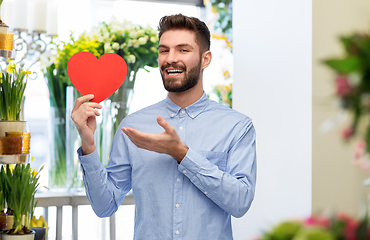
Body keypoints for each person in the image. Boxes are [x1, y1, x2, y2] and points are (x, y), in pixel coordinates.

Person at [71, 14, 257, 240]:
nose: (170, 58)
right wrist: (88, 144)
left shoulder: (237, 126)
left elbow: (240, 202)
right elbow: (104, 206)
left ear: (205, 59)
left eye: (183, 50)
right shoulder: (133, 126)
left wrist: (182, 153)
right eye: (164, 50)